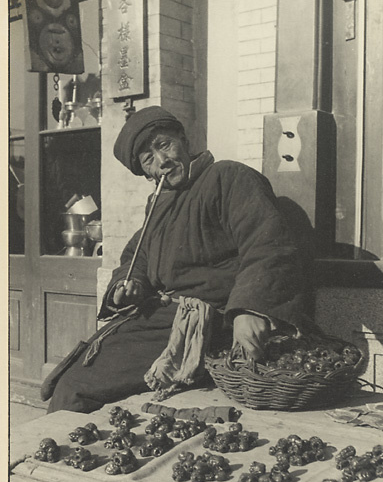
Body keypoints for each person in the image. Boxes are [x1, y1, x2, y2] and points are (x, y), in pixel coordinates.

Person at [45, 105, 307, 413]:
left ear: (183, 139)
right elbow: (137, 256)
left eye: (163, 145)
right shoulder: (160, 202)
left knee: (76, 388)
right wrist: (128, 284)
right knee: (73, 379)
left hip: (204, 320)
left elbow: (267, 243)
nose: (162, 161)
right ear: (145, 172)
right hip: (158, 318)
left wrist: (250, 310)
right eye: (148, 159)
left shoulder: (228, 177)